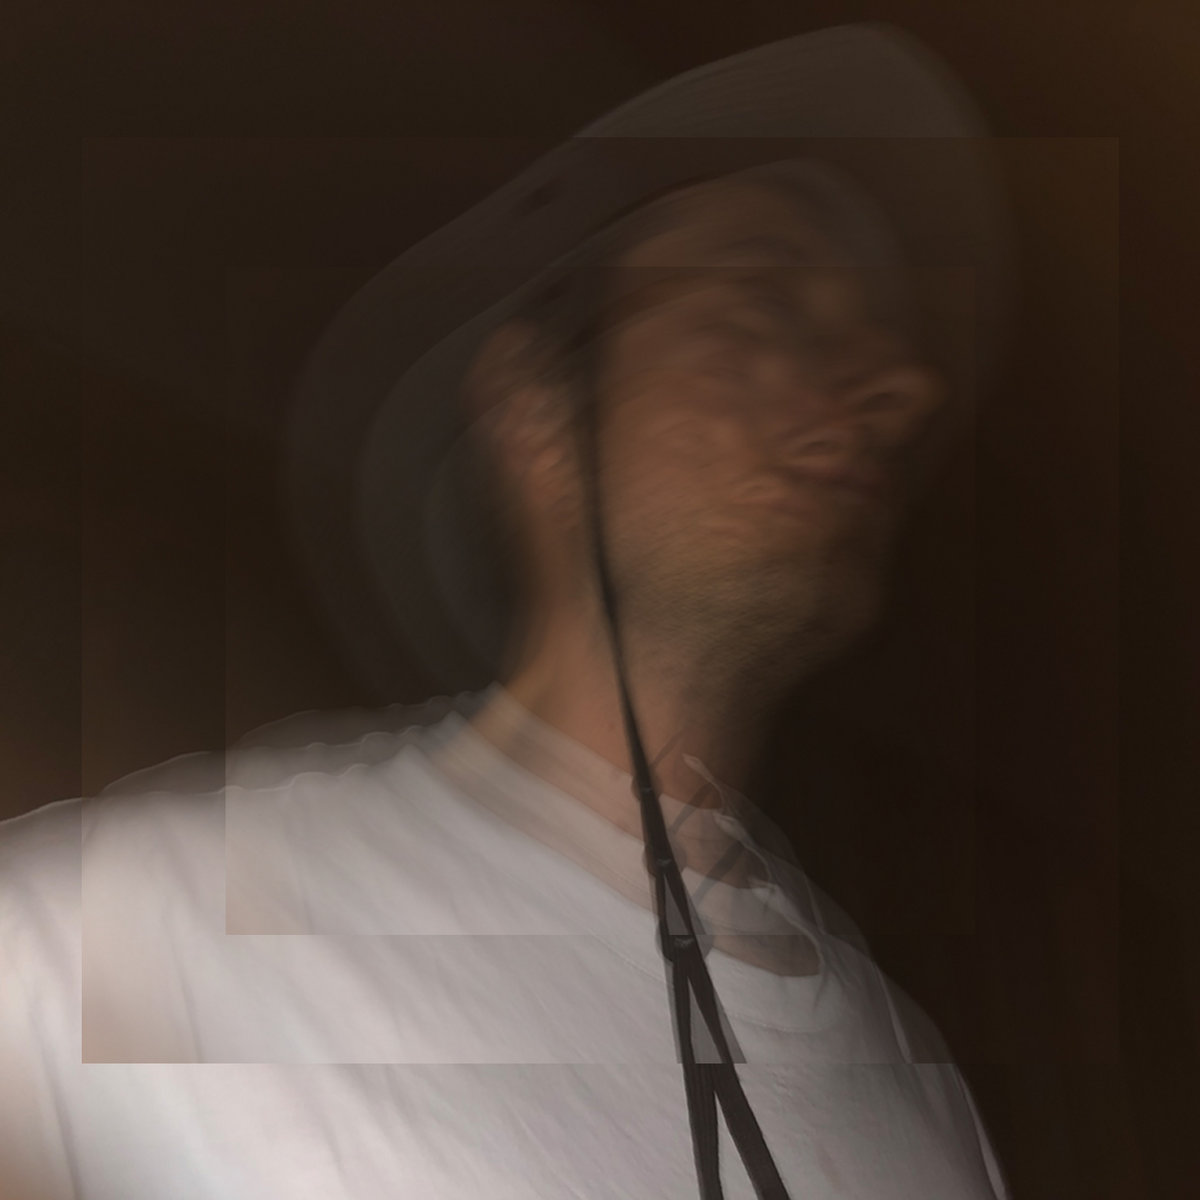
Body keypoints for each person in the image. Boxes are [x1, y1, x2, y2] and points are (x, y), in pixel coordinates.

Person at [0, 27, 1012, 1200]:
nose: (897, 385)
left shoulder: (923, 1089)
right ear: (539, 414)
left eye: (880, 340)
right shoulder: (112, 947)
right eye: (766, 296)